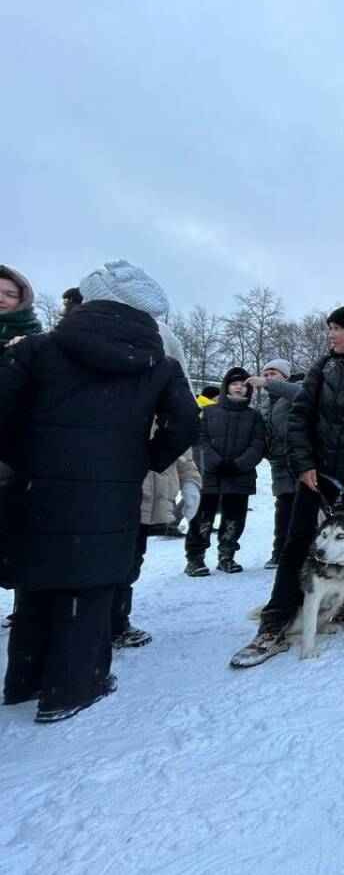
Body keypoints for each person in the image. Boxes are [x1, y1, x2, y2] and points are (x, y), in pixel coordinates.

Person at [0, 260, 198, 722]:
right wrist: (145, 457)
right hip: (111, 493)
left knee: (37, 582)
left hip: (38, 487)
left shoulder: (37, 348)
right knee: (89, 586)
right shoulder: (158, 364)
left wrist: (27, 454)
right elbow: (186, 421)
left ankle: (23, 680)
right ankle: (72, 687)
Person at [230, 301, 344, 668]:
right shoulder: (322, 368)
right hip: (318, 480)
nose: (331, 335)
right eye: (330, 329)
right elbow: (299, 418)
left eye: (336, 329)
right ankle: (273, 625)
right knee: (297, 546)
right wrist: (303, 463)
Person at [115, 449, 202, 648]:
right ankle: (100, 624)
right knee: (108, 567)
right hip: (118, 498)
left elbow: (182, 452)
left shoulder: (164, 418)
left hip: (148, 505)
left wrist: (190, 482)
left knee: (131, 565)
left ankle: (116, 623)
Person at [185, 367, 266, 576]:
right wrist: (214, 462)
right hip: (209, 474)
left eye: (243, 385)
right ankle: (195, 558)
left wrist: (239, 464)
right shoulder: (209, 412)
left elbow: (258, 444)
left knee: (234, 517)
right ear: (226, 386)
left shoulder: (254, 416)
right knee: (202, 516)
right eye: (234, 384)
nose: (239, 388)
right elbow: (199, 440)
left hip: (240, 475)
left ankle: (227, 555)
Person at [246, 359, 299, 569]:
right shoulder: (267, 405)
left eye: (273, 374)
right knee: (284, 508)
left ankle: (305, 551)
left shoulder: (299, 389)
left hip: (300, 461)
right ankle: (280, 552)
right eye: (265, 374)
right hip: (279, 463)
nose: (267, 377)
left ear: (285, 377)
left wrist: (268, 384)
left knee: (304, 508)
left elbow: (299, 394)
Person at [0, 264, 42, 351]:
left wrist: (27, 346)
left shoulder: (35, 334)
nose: (0, 299)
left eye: (10, 295)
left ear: (23, 300)